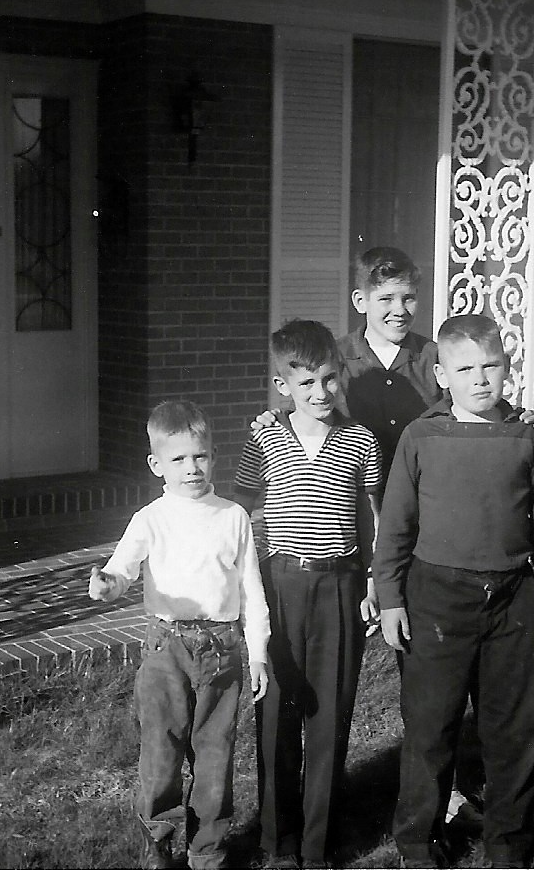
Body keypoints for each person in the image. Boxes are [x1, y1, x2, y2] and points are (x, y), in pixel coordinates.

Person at [253, 246, 534, 827]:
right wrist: (267, 422)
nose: (399, 309)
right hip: (358, 516)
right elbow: (300, 405)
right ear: (362, 302)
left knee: (437, 662)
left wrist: (515, 417)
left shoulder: (433, 358)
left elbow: (473, 397)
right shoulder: (341, 360)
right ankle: (414, 785)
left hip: (431, 524)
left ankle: (450, 788)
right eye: (386, 298)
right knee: (419, 659)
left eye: (409, 297)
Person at [372, 314, 534, 869]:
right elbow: (395, 525)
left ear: (508, 369)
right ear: (442, 374)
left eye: (491, 366)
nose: (480, 379)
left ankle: (507, 840)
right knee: (430, 727)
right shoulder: (421, 437)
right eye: (465, 368)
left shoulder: (525, 439)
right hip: (435, 600)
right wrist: (390, 597)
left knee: (514, 728)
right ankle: (418, 840)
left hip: (512, 599)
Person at [88, 400, 270, 870]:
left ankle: (207, 849)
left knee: (214, 756)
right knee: (161, 751)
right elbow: (121, 569)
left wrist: (259, 654)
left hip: (223, 650)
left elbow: (251, 590)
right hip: (166, 649)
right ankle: (158, 842)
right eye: (178, 459)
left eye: (201, 456)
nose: (192, 468)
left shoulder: (232, 517)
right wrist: (107, 584)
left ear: (213, 455)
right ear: (156, 465)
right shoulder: (152, 518)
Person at [233, 319, 384, 869]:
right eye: (306, 384)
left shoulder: (361, 440)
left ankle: (317, 844)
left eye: (328, 380)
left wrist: (372, 580)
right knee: (275, 708)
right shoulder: (265, 437)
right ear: (282, 386)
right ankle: (279, 842)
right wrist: (246, 587)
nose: (320, 394)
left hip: (339, 586)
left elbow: (371, 521)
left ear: (339, 376)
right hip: (281, 586)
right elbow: (240, 512)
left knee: (330, 713)